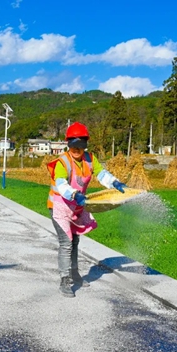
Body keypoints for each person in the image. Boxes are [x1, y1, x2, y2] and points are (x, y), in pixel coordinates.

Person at [46, 122, 127, 298]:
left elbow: (101, 174)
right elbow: (61, 184)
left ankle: (75, 274)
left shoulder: (90, 159)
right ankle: (65, 280)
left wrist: (114, 182)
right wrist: (74, 194)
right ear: (68, 144)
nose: (76, 150)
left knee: (75, 241)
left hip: (76, 207)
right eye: (73, 146)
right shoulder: (63, 162)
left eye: (80, 146)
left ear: (85, 145)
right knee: (66, 243)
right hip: (60, 206)